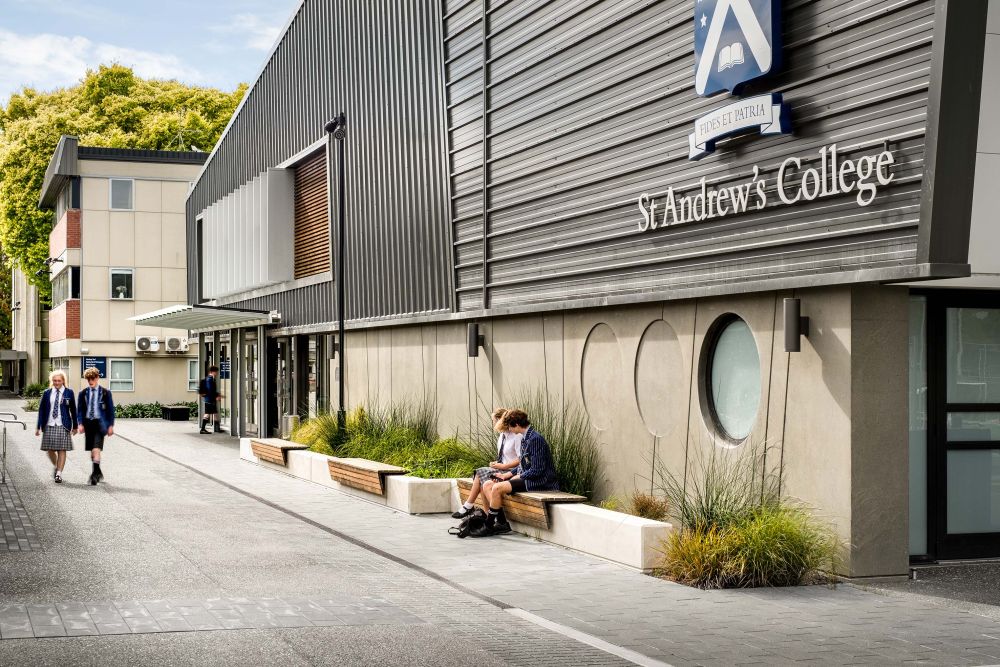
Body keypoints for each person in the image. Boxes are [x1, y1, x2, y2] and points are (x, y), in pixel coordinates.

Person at [472, 409, 559, 537]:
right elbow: (523, 464)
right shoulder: (525, 438)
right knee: (487, 485)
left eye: (510, 426)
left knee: (496, 488)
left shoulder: (535, 439)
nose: (509, 430)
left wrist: (518, 476)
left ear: (516, 425)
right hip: (528, 477)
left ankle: (489, 525)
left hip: (539, 481)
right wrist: (506, 475)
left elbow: (537, 470)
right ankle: (501, 523)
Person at [452, 408, 522, 519]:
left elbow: (520, 460)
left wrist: (503, 466)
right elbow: (504, 456)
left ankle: (469, 506)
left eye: (494, 420)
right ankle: (483, 512)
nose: (493, 423)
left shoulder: (516, 436)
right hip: (502, 468)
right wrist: (497, 463)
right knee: (482, 478)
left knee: (480, 473)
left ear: (500, 420)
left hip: (511, 471)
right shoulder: (502, 436)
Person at [35, 370, 78, 484]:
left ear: (63, 381)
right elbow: (42, 410)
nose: (57, 382)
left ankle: (59, 473)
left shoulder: (69, 393)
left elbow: (73, 410)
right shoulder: (47, 393)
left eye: (59, 380)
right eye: (54, 380)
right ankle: (57, 466)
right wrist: (38, 426)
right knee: (50, 450)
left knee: (62, 449)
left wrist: (75, 426)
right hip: (49, 423)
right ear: (52, 381)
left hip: (63, 424)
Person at [77, 367, 115, 486]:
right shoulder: (83, 393)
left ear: (97, 378)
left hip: (100, 424)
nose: (90, 381)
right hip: (88, 423)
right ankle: (98, 471)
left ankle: (94, 475)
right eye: (88, 379)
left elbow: (110, 410)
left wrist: (110, 426)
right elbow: (80, 410)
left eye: (93, 378)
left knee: (96, 449)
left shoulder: (105, 393)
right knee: (92, 451)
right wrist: (80, 423)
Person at [198, 366, 222, 434]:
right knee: (208, 414)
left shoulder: (210, 379)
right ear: (212, 372)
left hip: (209, 399)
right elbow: (210, 390)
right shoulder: (210, 379)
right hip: (210, 399)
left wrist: (217, 395)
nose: (217, 373)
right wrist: (216, 396)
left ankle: (217, 428)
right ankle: (203, 429)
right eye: (216, 371)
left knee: (214, 413)